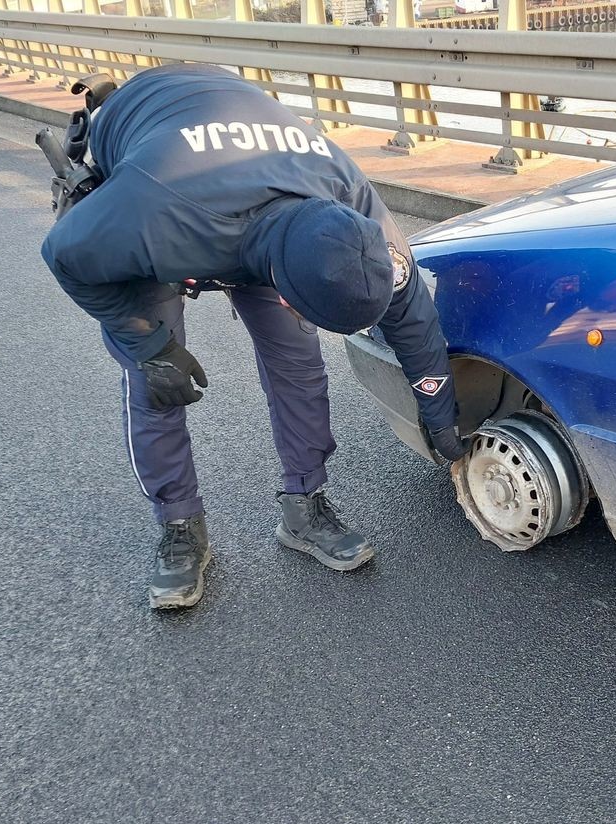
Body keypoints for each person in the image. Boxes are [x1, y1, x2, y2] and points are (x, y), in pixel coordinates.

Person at [41, 64, 468, 610]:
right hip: (165, 166)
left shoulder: (353, 207)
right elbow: (65, 256)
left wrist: (441, 419)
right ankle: (179, 526)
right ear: (284, 289)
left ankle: (304, 505)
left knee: (300, 364)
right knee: (158, 383)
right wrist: (151, 348)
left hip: (256, 196)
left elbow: (413, 319)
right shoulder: (154, 212)